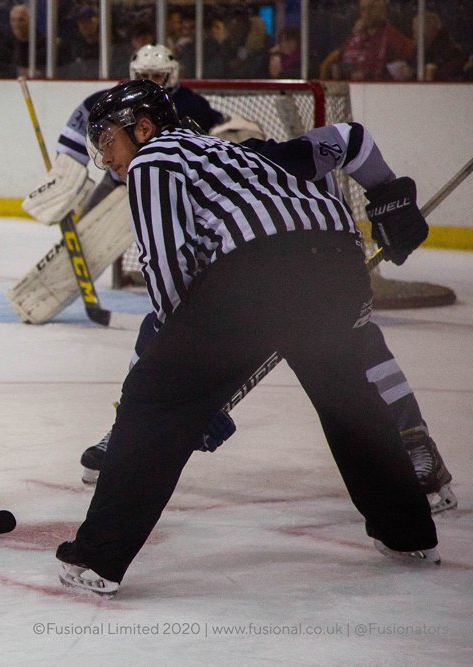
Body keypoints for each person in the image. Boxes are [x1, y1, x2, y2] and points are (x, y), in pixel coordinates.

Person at [55, 80, 438, 597]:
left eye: (107, 141)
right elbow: (349, 137)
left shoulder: (154, 160)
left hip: (257, 274)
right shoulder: (238, 154)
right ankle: (411, 535)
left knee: (151, 402)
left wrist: (190, 383)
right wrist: (388, 193)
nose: (105, 156)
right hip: (337, 265)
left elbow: (169, 268)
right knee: (348, 399)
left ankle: (97, 558)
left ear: (143, 128)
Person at [78, 121, 457, 516]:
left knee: (355, 346)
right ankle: (128, 432)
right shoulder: (186, 181)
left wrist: (387, 192)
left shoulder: (257, 160)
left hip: (318, 264)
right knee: (159, 331)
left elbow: (350, 139)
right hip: (252, 279)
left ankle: (414, 441)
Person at [22, 44, 223, 227]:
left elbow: (216, 134)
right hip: (120, 181)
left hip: (170, 186)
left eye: (156, 76)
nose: (148, 81)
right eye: (143, 74)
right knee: (86, 229)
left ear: (170, 75)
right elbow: (82, 122)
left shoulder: (192, 104)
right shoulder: (117, 99)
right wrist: (66, 172)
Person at [324, 0, 413, 81]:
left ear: (383, 9)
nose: (367, 13)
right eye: (363, 9)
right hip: (349, 90)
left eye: (371, 7)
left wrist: (368, 75)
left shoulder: (396, 39)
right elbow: (336, 64)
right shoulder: (353, 37)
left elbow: (405, 73)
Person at [9, 3, 44, 78]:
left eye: (21, 20)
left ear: (30, 21)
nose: (16, 24)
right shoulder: (6, 43)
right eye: (13, 20)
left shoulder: (43, 44)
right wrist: (18, 71)